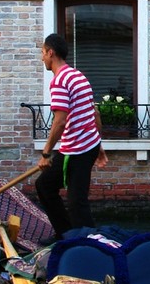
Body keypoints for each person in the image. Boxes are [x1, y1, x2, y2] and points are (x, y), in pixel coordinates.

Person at [35, 33, 108, 240]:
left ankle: (90, 245)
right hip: (88, 145)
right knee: (46, 186)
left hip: (77, 149)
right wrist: (99, 147)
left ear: (51, 52)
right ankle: (66, 234)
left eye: (42, 53)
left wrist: (46, 153)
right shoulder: (78, 76)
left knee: (77, 203)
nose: (42, 58)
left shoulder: (59, 82)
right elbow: (94, 114)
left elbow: (60, 121)